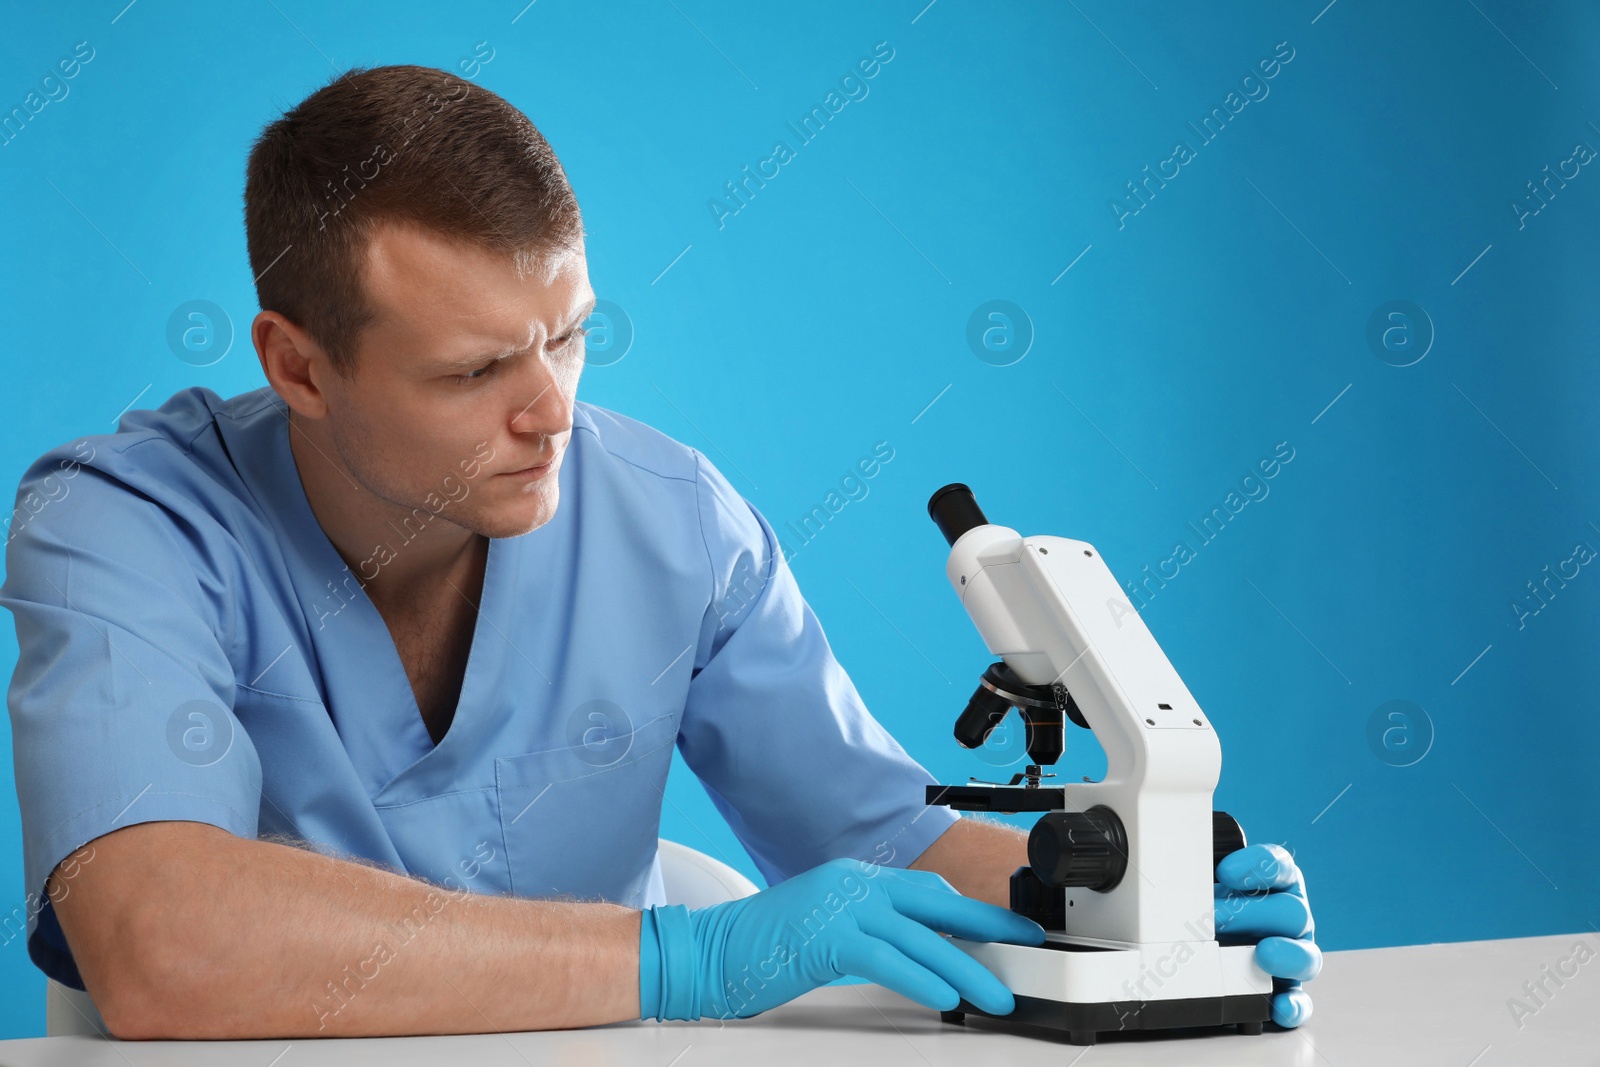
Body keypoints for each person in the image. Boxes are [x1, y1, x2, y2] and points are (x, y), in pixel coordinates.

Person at [0, 64, 1317, 1039]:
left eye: (567, 336)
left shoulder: (669, 516)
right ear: (299, 365)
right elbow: (161, 943)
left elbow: (886, 840)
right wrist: (675, 963)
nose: (552, 413)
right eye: (472, 370)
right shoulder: (126, 525)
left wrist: (1144, 901)